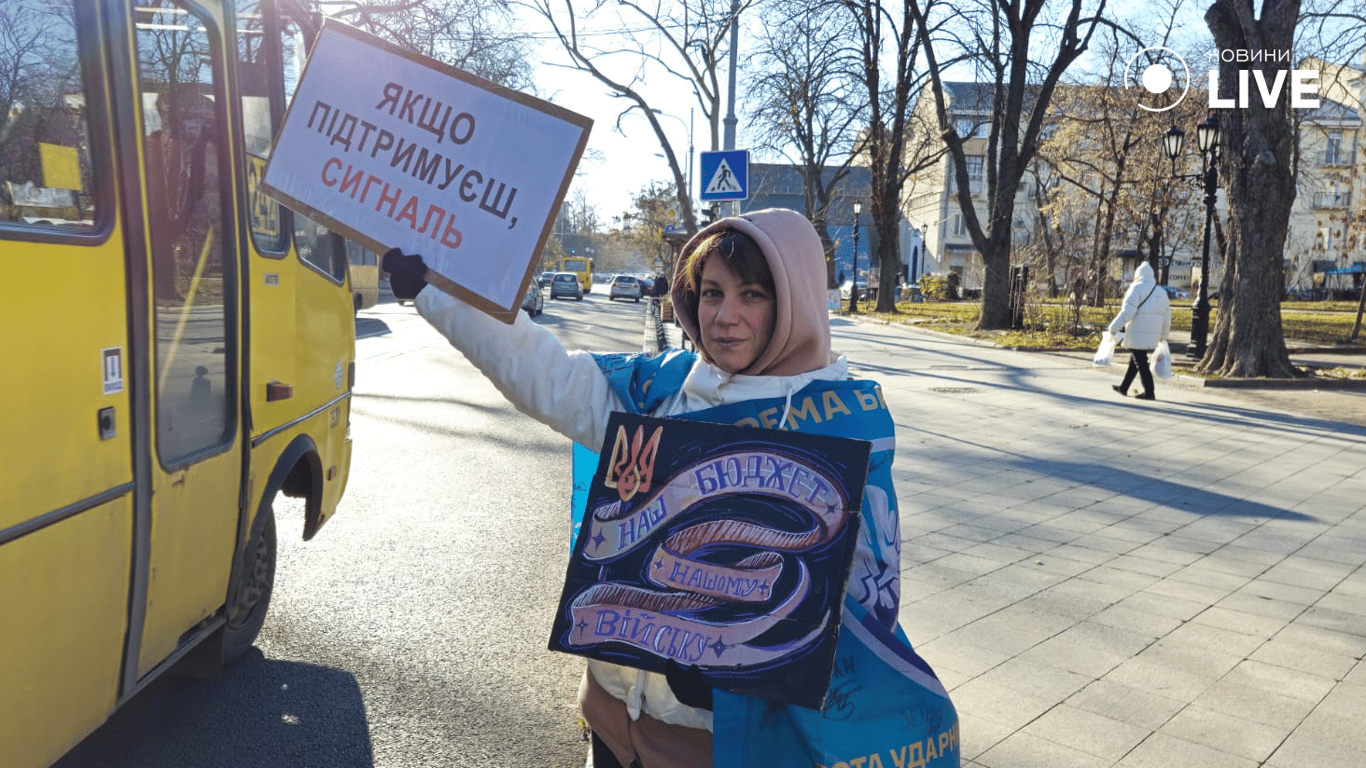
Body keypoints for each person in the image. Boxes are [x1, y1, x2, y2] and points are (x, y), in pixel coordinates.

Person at [382, 208, 957, 768]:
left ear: (795, 301)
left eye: (752, 295)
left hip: (709, 744)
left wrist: (736, 654)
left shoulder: (842, 425)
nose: (725, 316)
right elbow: (546, 374)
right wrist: (438, 293)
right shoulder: (663, 391)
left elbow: (864, 607)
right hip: (611, 719)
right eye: (712, 293)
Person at [1107, 262, 1171, 401]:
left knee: (1140, 361)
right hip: (1153, 334)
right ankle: (1124, 387)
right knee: (1136, 358)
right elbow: (1167, 316)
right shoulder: (1161, 292)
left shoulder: (1135, 288)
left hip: (1137, 332)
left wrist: (1113, 328)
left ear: (1138, 275)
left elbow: (1127, 312)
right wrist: (1163, 336)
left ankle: (1149, 391)